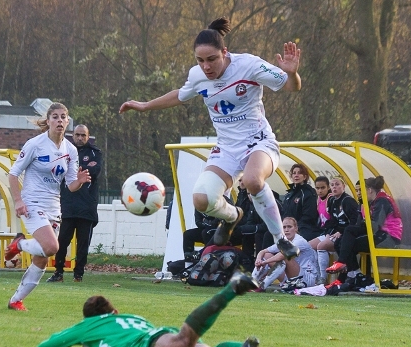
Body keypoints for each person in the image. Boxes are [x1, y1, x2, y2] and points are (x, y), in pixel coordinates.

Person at [119, 16, 301, 262]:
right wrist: (144, 105)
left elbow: (291, 87)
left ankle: (280, 239)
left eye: (212, 59)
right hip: (226, 148)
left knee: (252, 181)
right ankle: (232, 216)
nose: (206, 66)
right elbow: (180, 95)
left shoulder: (248, 65)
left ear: (225, 52)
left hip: (259, 142)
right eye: (200, 60)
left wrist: (292, 74)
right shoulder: (198, 75)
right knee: (201, 200)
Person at [23, 272, 260, 347]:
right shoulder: (131, 317)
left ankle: (231, 289)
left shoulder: (89, 326)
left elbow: (53, 342)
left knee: (184, 340)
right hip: (156, 337)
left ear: (90, 318)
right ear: (114, 311)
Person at [5, 102, 92, 311]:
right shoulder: (35, 144)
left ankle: (15, 300)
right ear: (48, 121)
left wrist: (79, 181)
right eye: (55, 117)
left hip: (54, 207)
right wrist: (18, 200)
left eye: (63, 117)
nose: (60, 120)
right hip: (33, 202)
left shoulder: (70, 150)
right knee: (52, 247)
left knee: (42, 259)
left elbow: (70, 186)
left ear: (68, 121)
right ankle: (19, 244)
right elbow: (13, 174)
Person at [46, 124, 102, 283]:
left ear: (88, 136)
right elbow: (59, 169)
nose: (80, 138)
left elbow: (94, 171)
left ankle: (79, 275)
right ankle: (58, 273)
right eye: (77, 135)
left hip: (87, 207)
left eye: (83, 135)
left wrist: (77, 170)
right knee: (61, 241)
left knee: (83, 245)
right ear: (73, 135)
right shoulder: (65, 150)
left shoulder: (95, 153)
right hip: (67, 206)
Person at [326, 176, 403, 275]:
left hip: (388, 237)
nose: (360, 193)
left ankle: (353, 271)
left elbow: (375, 225)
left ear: (369, 190)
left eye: (362, 190)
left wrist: (362, 223)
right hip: (378, 233)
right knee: (341, 241)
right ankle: (354, 274)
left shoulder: (382, 201)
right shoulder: (373, 201)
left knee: (350, 241)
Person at [308, 177, 359, 284]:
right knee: (308, 246)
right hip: (333, 233)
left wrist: (340, 231)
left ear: (343, 186)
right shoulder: (333, 201)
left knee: (321, 246)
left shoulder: (348, 201)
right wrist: (327, 233)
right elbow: (332, 221)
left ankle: (323, 278)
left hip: (346, 235)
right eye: (332, 185)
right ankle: (315, 276)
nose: (334, 187)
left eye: (337, 184)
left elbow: (354, 222)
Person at [252, 217, 318, 290]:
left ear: (296, 228)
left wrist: (264, 262)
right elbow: (263, 251)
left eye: (289, 227)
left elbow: (282, 255)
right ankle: (252, 282)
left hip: (307, 278)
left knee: (286, 257)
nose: (286, 230)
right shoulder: (283, 241)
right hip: (291, 276)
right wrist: (258, 260)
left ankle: (262, 287)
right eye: (284, 227)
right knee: (266, 255)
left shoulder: (300, 241)